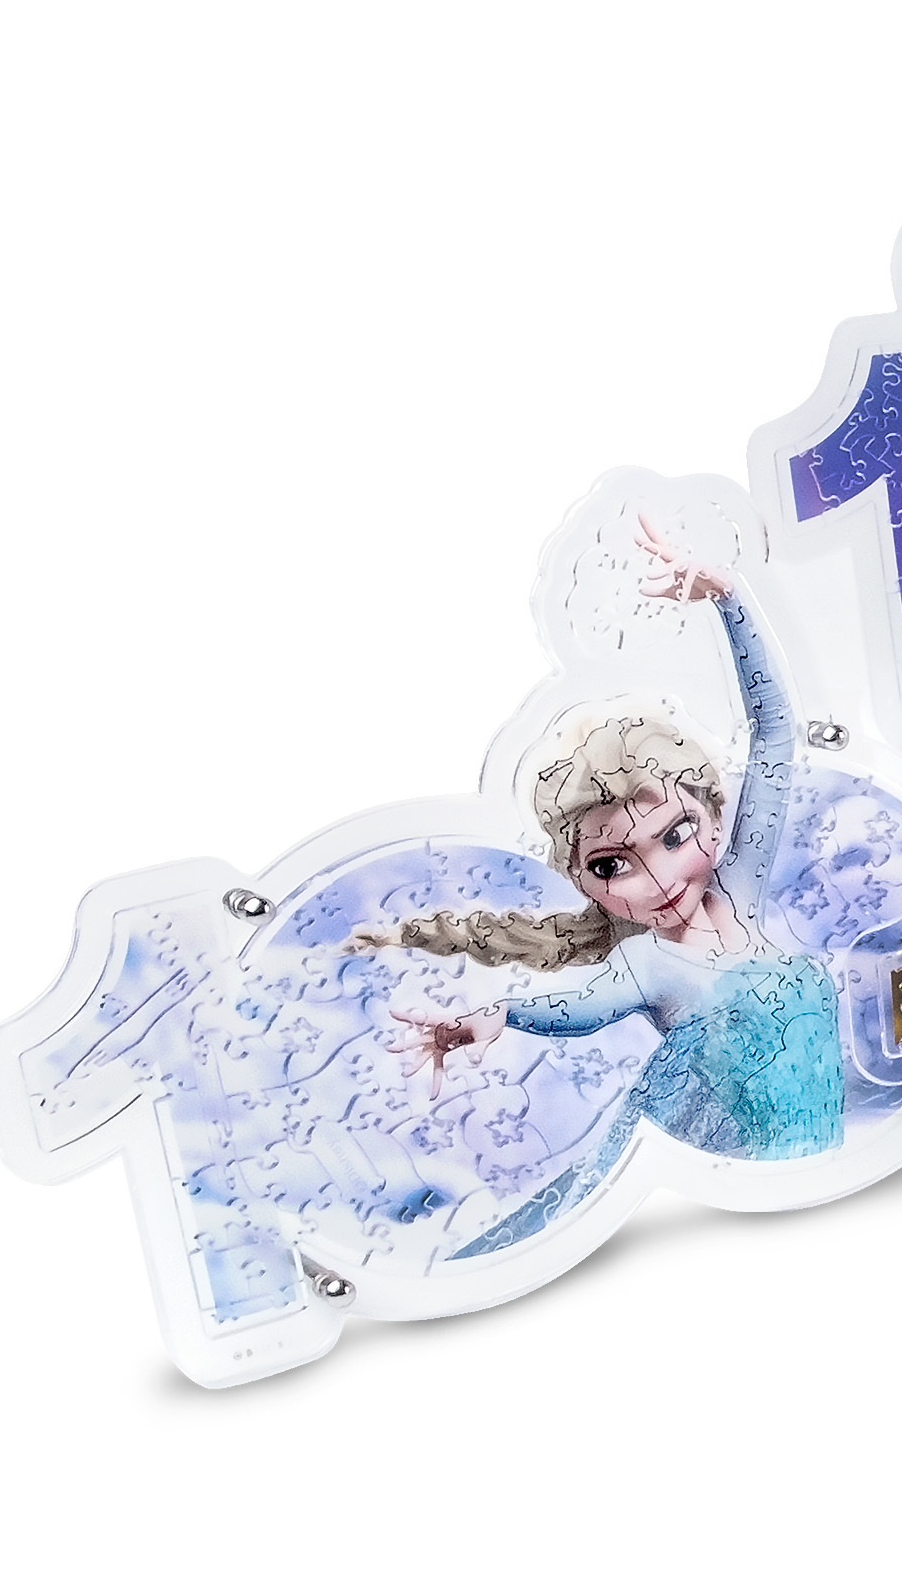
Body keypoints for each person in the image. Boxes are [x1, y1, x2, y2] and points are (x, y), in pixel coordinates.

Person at [351, 524, 849, 1246]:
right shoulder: (646, 962)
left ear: (715, 820)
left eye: (675, 835)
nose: (659, 879)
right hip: (757, 1214)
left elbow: (774, 734)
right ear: (584, 882)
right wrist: (494, 1017)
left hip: (832, 1184)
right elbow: (573, 1008)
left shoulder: (737, 887)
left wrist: (729, 599)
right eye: (614, 865)